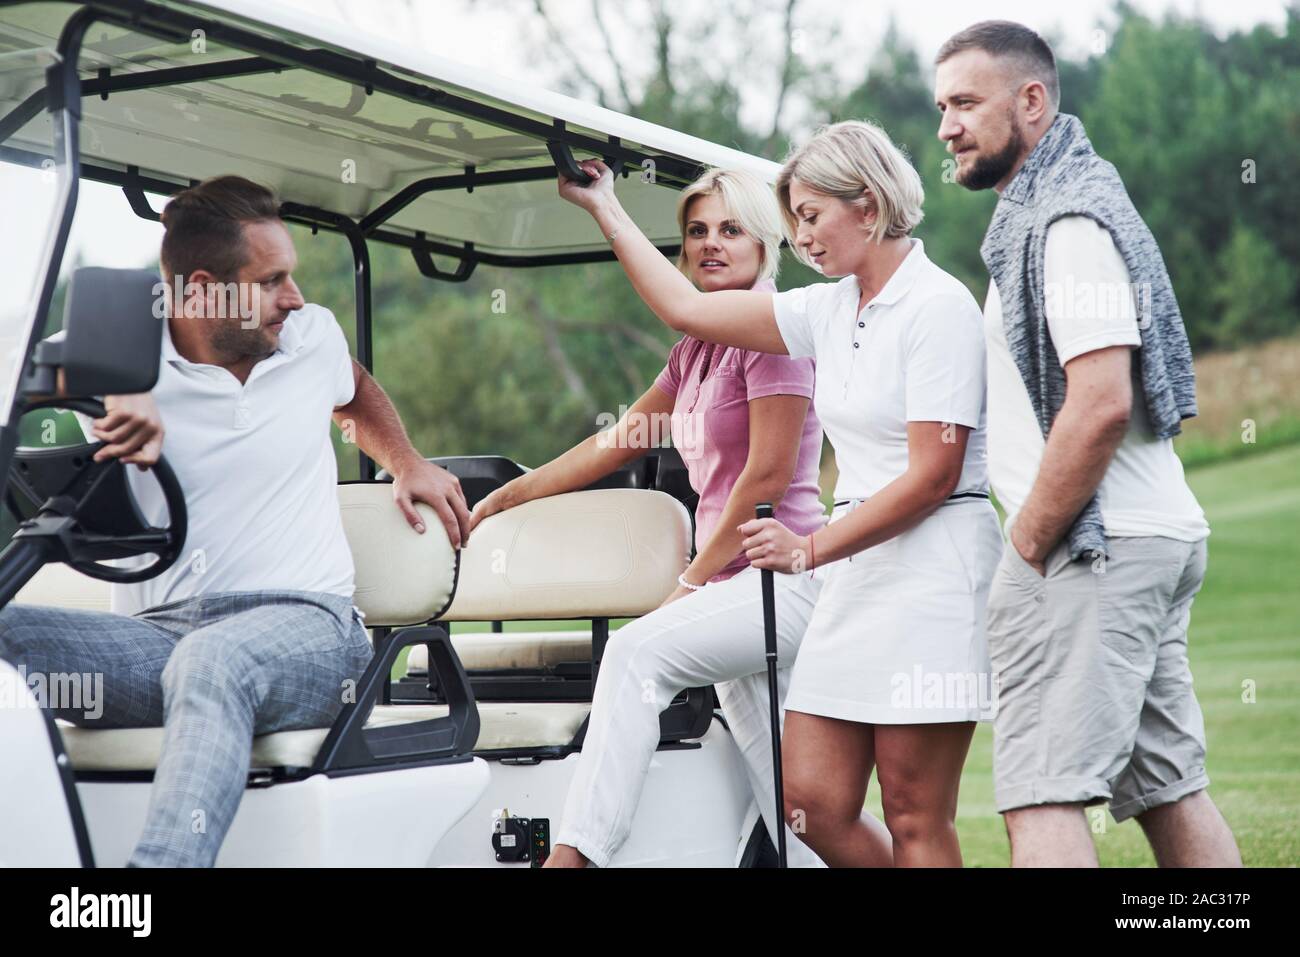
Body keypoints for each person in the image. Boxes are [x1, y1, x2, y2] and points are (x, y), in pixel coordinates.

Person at [558, 122, 1001, 867]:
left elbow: (934, 476)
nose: (799, 236)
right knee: (812, 805)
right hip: (849, 570)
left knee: (914, 811)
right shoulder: (827, 309)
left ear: (868, 205)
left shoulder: (939, 307)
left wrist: (810, 548)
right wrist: (603, 205)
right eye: (793, 218)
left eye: (812, 215)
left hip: (931, 570)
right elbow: (685, 309)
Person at [0, 175, 470, 867]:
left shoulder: (309, 337)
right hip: (155, 643)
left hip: (310, 630)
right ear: (198, 291)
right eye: (272, 279)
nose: (296, 297)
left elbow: (356, 387)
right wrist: (123, 378)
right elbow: (59, 344)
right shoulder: (113, 352)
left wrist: (405, 459)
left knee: (211, 660)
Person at [471, 167, 852, 868]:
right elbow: (617, 442)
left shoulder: (776, 334)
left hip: (783, 584)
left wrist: (689, 582)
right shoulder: (697, 350)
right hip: (729, 596)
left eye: (730, 230)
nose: (711, 244)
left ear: (765, 246)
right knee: (802, 816)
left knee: (635, 651)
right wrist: (511, 494)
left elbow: (766, 478)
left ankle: (574, 854)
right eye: (697, 232)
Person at [933, 20, 1241, 867]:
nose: (946, 127)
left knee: (1040, 796)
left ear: (1030, 100)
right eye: (940, 107)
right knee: (1170, 791)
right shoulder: (1058, 208)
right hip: (1147, 539)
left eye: (965, 102)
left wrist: (1027, 542)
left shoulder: (1065, 223)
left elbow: (1100, 402)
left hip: (1093, 552)